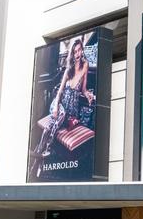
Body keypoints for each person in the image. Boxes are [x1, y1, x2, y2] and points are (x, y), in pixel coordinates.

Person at [30, 37, 95, 176]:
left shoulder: (85, 65)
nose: (77, 54)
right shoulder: (68, 69)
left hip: (71, 111)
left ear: (82, 50)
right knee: (59, 114)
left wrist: (89, 95)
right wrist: (55, 107)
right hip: (58, 105)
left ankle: (38, 158)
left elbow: (83, 89)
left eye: (79, 50)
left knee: (56, 121)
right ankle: (44, 152)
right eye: (75, 51)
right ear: (72, 53)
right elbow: (59, 92)